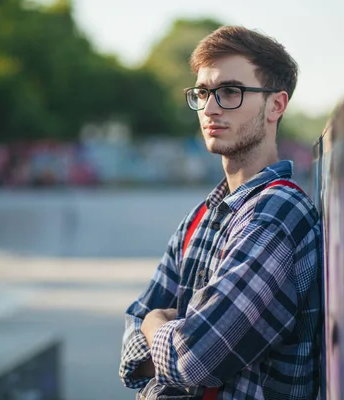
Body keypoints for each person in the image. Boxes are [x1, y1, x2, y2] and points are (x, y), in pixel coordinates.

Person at [119, 25, 323, 400]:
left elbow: (194, 360)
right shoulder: (200, 217)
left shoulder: (277, 214)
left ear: (276, 105)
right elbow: (133, 339)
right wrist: (165, 332)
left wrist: (156, 327)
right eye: (202, 93)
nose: (210, 108)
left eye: (230, 92)